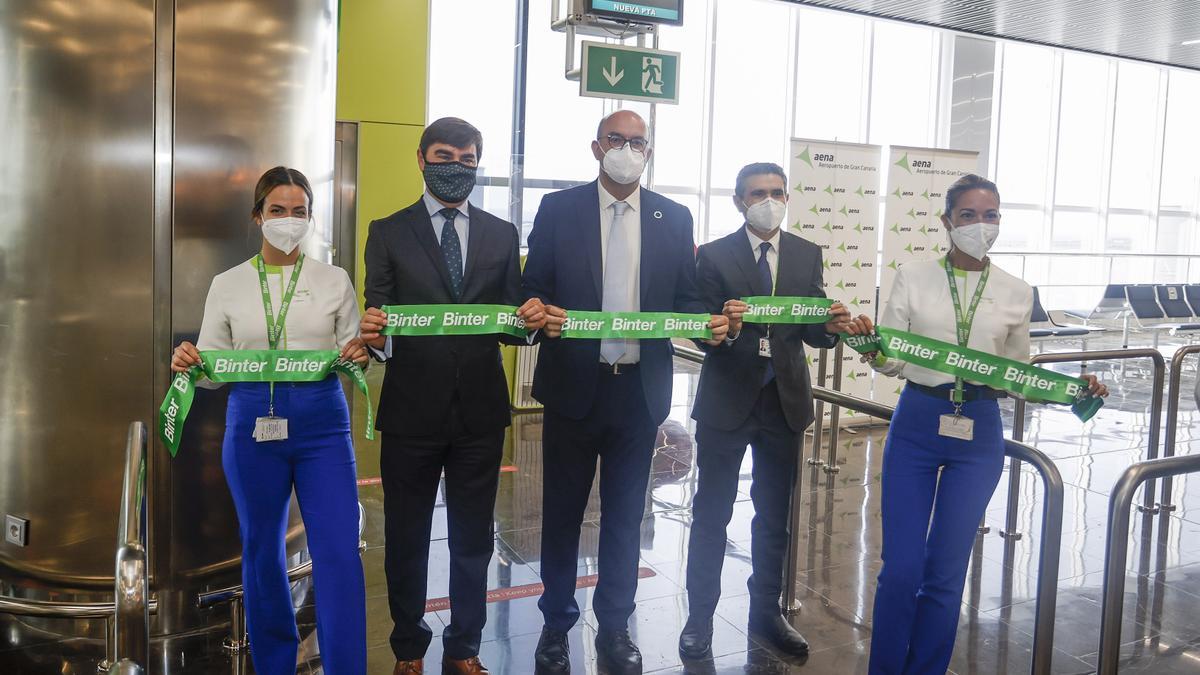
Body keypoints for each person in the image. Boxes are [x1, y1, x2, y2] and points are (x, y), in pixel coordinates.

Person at [850, 174, 1108, 674]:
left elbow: (1017, 373)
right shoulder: (913, 275)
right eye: (968, 215)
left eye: (990, 215)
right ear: (947, 221)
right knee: (901, 570)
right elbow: (893, 360)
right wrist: (873, 351)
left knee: (946, 574)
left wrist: (1073, 388)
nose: (980, 225)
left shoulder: (1017, 291)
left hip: (980, 431)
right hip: (918, 422)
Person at [522, 110, 729, 675]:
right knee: (562, 516)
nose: (627, 149)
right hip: (572, 389)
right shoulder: (558, 210)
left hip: (637, 392)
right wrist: (536, 311)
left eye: (638, 142)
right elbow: (533, 287)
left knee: (624, 518)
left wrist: (707, 322)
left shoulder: (673, 217)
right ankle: (556, 626)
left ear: (649, 153)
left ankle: (615, 626)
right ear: (596, 147)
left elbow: (684, 299)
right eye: (617, 139)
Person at [358, 117, 547, 675]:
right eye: (445, 155)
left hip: (481, 412)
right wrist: (376, 334)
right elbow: (381, 314)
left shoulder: (500, 233)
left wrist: (530, 320)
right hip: (412, 410)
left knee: (473, 538)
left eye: (468, 159)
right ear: (421, 158)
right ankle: (409, 649)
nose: (456, 167)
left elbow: (512, 320)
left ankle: (464, 645)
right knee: (407, 538)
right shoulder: (388, 231)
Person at [171, 166, 369, 675]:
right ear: (258, 216)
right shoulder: (229, 284)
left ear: (310, 218)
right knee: (262, 551)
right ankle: (275, 663)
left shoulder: (334, 280)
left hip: (323, 421)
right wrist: (192, 361)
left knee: (339, 552)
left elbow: (355, 351)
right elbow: (215, 369)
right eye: (277, 210)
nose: (288, 220)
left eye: (298, 211)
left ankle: (346, 665)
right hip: (252, 421)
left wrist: (361, 352)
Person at [678, 163, 855, 661]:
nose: (769, 200)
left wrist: (833, 323)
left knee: (774, 515)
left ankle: (766, 612)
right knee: (711, 513)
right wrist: (723, 328)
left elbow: (814, 328)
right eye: (758, 193)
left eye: (777, 192)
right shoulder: (713, 255)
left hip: (784, 401)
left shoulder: (805, 253)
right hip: (727, 401)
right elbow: (698, 324)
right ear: (739, 200)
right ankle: (701, 616)